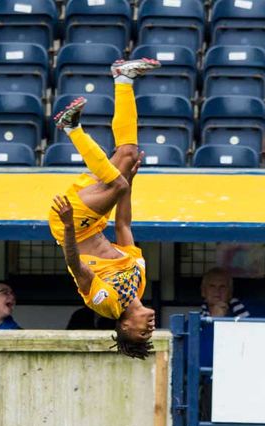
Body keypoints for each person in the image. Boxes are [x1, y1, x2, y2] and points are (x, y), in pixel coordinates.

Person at [49, 58, 160, 359]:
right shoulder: (138, 280)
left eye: (142, 331)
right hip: (95, 220)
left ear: (124, 326)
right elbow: (123, 225)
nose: (150, 326)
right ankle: (123, 78)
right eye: (150, 331)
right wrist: (131, 180)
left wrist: (69, 225)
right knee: (128, 153)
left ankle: (71, 128)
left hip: (71, 223)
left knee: (119, 182)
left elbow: (76, 266)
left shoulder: (107, 302)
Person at [200, 267, 265, 319]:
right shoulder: (194, 321)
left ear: (230, 292)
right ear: (203, 291)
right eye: (212, 286)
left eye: (222, 287)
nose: (217, 291)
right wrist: (215, 320)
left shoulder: (249, 308)